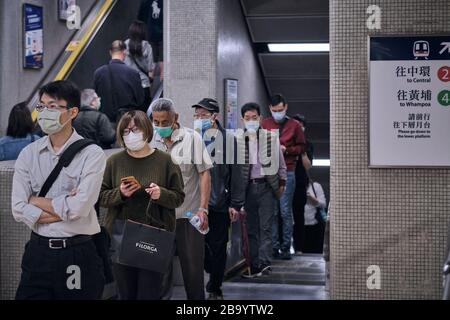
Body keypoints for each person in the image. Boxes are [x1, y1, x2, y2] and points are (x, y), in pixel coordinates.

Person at [11, 80, 106, 299]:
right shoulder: (29, 153)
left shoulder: (91, 154)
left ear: (72, 112)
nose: (45, 112)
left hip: (76, 254)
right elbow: (17, 208)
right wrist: (65, 208)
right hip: (38, 252)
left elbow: (79, 208)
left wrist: (34, 200)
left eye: (53, 107)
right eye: (42, 106)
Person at [99, 110, 184, 300]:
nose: (130, 135)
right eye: (126, 131)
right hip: (121, 235)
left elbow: (178, 197)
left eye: (135, 130)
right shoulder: (114, 161)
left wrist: (161, 194)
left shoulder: (166, 161)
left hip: (154, 236)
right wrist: (120, 193)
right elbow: (102, 197)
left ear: (147, 130)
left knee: (151, 293)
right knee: (125, 293)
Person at [150, 98, 212, 300]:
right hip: (158, 219)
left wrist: (203, 209)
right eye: (156, 122)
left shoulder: (192, 139)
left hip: (188, 217)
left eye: (164, 122)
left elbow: (204, 174)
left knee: (193, 274)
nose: (160, 126)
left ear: (175, 118)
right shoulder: (149, 140)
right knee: (158, 276)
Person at [191, 98, 245, 300]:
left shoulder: (229, 141)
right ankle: (208, 272)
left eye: (203, 116)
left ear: (214, 116)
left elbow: (237, 174)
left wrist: (236, 203)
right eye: (196, 116)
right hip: (194, 204)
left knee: (218, 246)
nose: (198, 119)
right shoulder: (191, 139)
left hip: (218, 204)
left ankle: (215, 287)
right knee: (198, 246)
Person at [238, 102, 287, 278]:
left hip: (266, 186)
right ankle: (254, 264)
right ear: (242, 119)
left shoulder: (270, 137)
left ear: (260, 118)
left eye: (254, 117)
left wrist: (282, 184)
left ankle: (264, 263)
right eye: (247, 118)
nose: (251, 121)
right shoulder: (238, 139)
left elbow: (281, 163)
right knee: (251, 228)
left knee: (266, 227)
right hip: (248, 188)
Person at [262, 94, 305, 260]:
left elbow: (302, 147)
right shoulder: (265, 124)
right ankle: (273, 247)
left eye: (280, 110)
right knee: (271, 211)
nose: (277, 113)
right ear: (270, 109)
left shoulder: (294, 125)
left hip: (288, 170)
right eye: (274, 111)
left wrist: (286, 149)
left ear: (286, 107)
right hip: (269, 171)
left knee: (285, 211)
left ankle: (286, 247)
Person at [94, 40, 145, 124]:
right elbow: (140, 99)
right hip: (128, 121)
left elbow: (97, 98)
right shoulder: (133, 73)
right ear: (125, 51)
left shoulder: (98, 73)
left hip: (106, 122)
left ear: (110, 52)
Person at [292, 114, 314, 255]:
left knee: (298, 215)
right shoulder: (284, 141)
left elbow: (308, 167)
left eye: (300, 126)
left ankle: (299, 248)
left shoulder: (308, 144)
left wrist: (303, 151)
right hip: (284, 183)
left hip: (299, 183)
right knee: (282, 215)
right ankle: (282, 247)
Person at [124, 20, 155, 111]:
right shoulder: (147, 46)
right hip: (144, 85)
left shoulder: (125, 44)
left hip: (128, 85)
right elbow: (150, 68)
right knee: (143, 113)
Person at [138, 0, 164, 80]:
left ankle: (150, 80)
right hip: (164, 32)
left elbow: (140, 17)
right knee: (163, 57)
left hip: (150, 32)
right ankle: (164, 78)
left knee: (151, 57)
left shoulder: (145, 1)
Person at [303, 176, 326, 253]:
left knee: (316, 252)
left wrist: (311, 198)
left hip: (315, 225)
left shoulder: (315, 186)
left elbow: (323, 204)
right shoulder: (294, 186)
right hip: (300, 227)